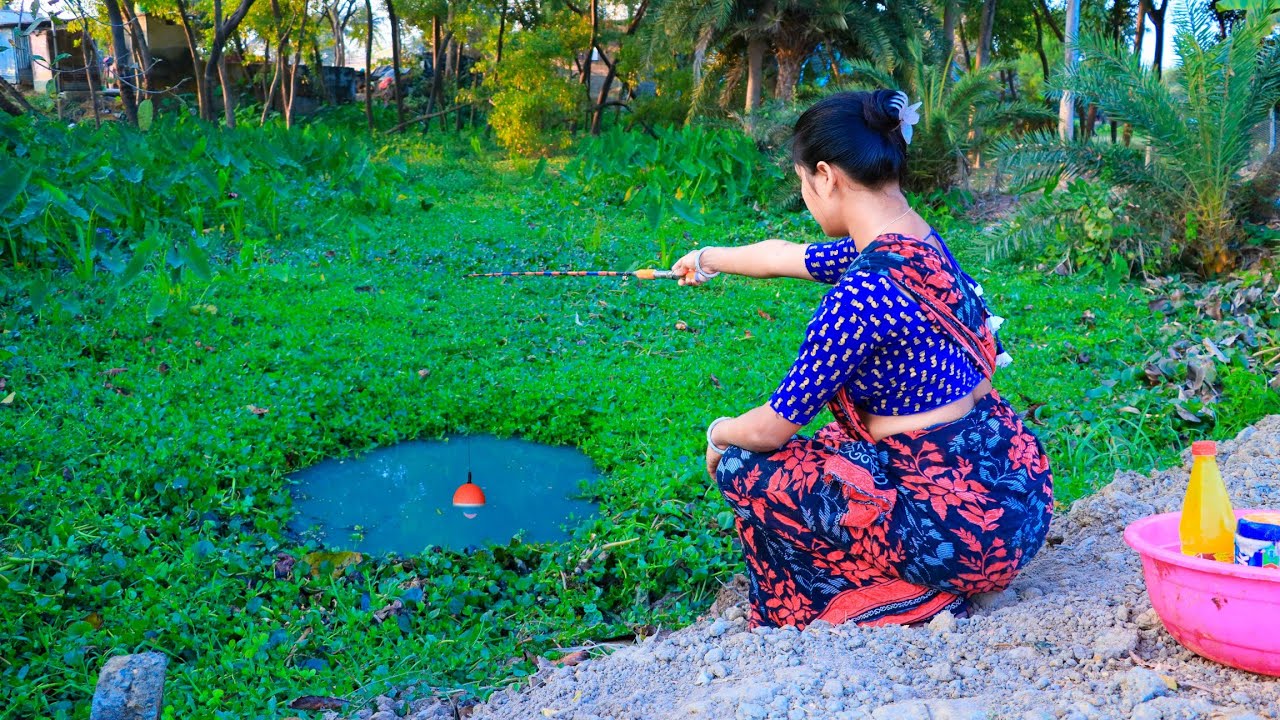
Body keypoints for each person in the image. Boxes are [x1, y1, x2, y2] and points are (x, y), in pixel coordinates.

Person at [671, 90, 1053, 629]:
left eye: (802, 181)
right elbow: (784, 256)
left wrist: (718, 433)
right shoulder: (916, 242)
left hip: (961, 534)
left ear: (825, 176)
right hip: (1018, 495)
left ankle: (899, 593)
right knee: (837, 447)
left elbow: (770, 430)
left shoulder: (860, 299)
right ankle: (938, 573)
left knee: (742, 466)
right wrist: (706, 258)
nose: (805, 195)